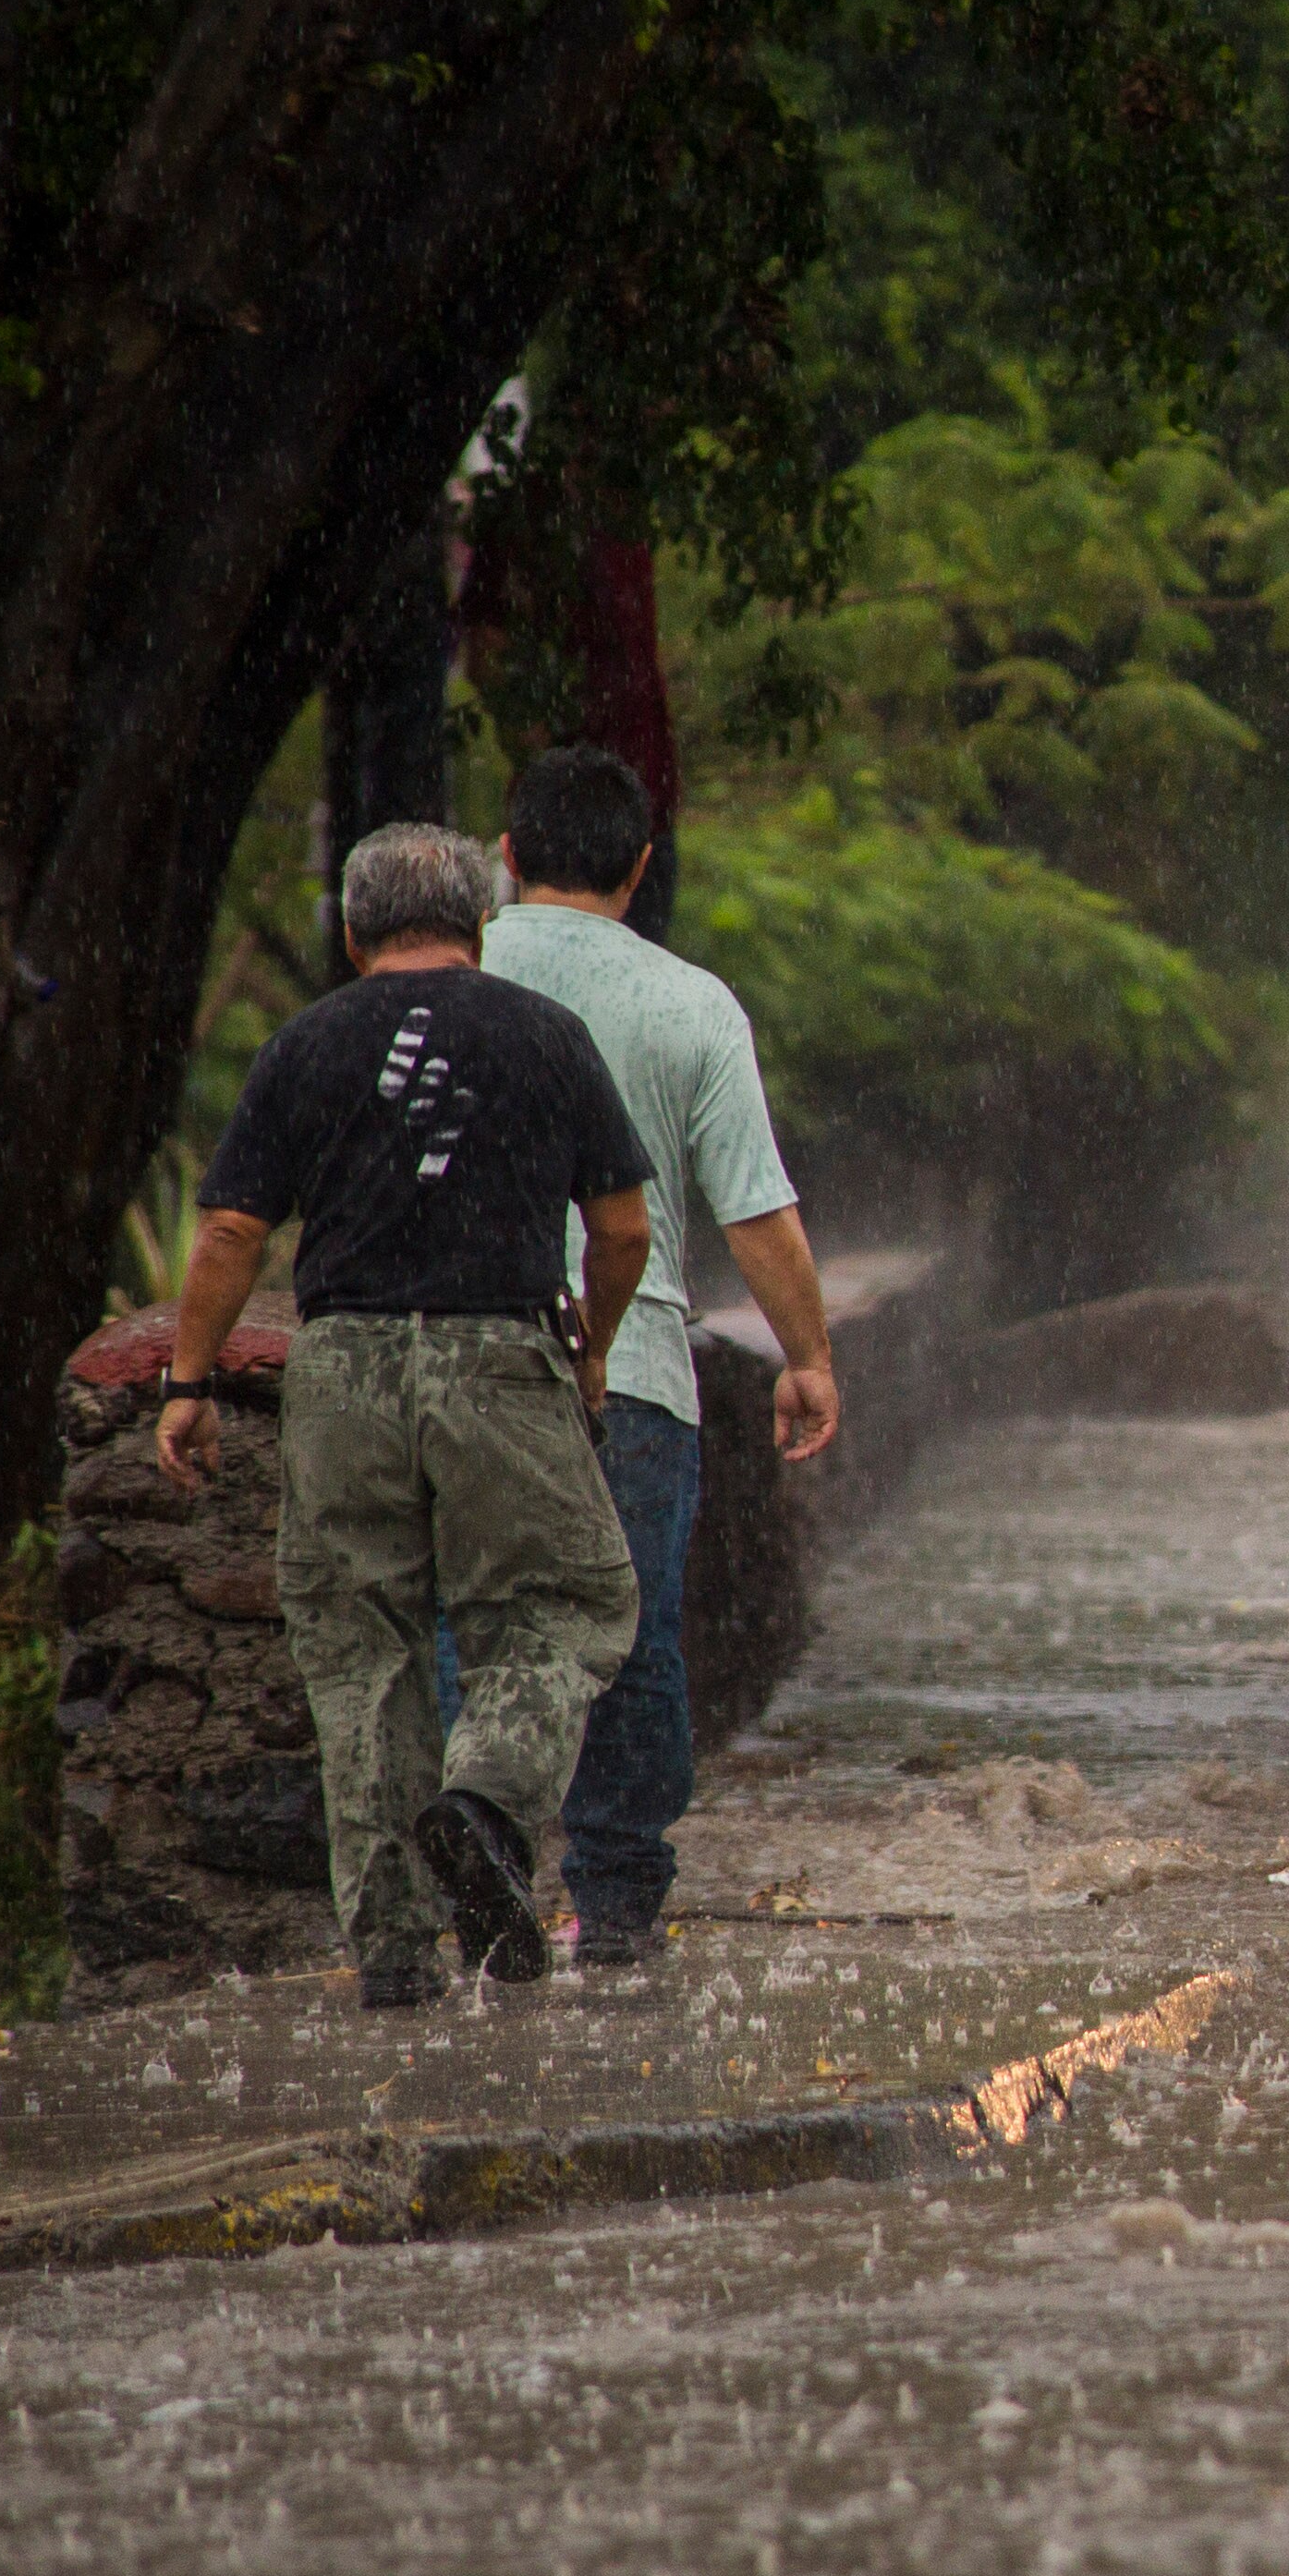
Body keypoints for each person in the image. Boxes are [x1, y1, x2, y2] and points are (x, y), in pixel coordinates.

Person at [158, 824, 651, 2007]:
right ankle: (483, 1803)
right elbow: (624, 1227)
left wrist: (186, 1381)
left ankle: (388, 1956)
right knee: (564, 1606)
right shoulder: (546, 1035)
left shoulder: (305, 1044)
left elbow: (232, 1230)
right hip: (500, 1355)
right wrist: (593, 1349)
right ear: (482, 925)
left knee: (360, 1653)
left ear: (351, 929)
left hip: (344, 1373)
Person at [482, 746, 841, 1969]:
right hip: (630, 1372)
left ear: (508, 854)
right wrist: (808, 1359)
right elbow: (758, 1214)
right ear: (640, 868)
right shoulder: (691, 1005)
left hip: (464, 1363)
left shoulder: (444, 978)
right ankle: (618, 1908)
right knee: (631, 1635)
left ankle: (472, 1862)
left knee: (466, 1619)